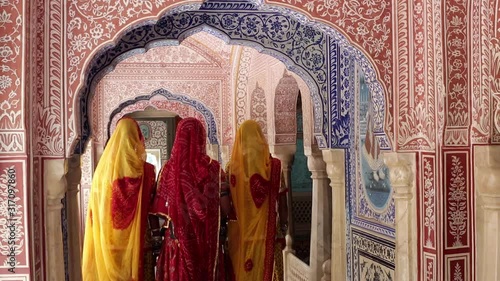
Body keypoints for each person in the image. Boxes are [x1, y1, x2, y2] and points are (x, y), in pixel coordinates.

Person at [82, 117, 159, 281]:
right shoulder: (147, 171)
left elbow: (97, 209)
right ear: (138, 139)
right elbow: (152, 207)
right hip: (140, 240)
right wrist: (157, 234)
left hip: (108, 240)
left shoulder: (102, 173)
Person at [151, 117, 229, 281]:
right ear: (201, 138)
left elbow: (159, 209)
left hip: (177, 242)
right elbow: (225, 207)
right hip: (208, 241)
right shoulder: (214, 169)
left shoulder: (169, 170)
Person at [226, 120, 288, 281]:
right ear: (260, 138)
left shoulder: (231, 169)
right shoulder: (274, 167)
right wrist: (284, 226)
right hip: (269, 233)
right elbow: (282, 202)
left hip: (241, 233)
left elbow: (227, 204)